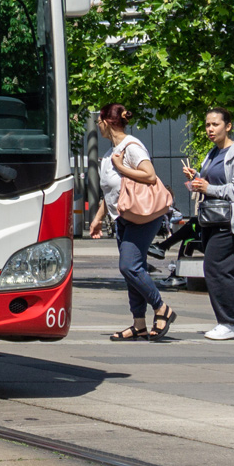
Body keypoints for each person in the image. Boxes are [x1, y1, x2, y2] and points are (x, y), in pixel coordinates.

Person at [88, 104, 177, 341]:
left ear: (106, 122)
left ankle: (162, 308)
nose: (98, 126)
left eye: (99, 121)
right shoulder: (112, 152)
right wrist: (98, 218)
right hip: (123, 219)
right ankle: (139, 325)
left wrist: (120, 167)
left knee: (129, 266)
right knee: (132, 272)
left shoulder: (131, 147)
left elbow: (149, 175)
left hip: (142, 217)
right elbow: (111, 193)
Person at [184, 107, 234, 340]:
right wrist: (197, 179)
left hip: (231, 221)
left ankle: (228, 322)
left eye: (215, 124)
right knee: (228, 270)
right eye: (207, 125)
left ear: (228, 126)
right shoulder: (213, 153)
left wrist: (209, 188)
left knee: (215, 268)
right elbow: (211, 184)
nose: (210, 129)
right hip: (213, 219)